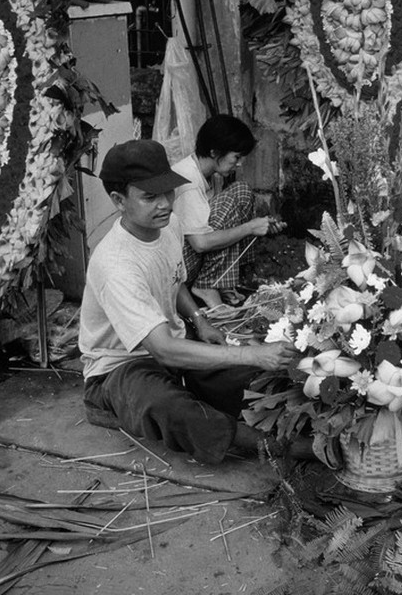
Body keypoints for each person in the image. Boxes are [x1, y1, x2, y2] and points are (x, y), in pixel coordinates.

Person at [79, 139, 307, 463]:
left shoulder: (167, 224)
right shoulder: (116, 264)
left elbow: (176, 281)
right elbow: (162, 349)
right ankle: (275, 448)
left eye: (168, 192)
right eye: (149, 196)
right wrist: (251, 353)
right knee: (177, 410)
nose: (165, 204)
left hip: (171, 345)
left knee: (250, 379)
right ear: (119, 200)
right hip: (119, 368)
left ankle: (240, 403)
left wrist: (200, 320)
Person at [171, 115, 283, 308]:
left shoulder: (208, 173)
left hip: (190, 257)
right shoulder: (188, 181)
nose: (238, 163)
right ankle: (207, 287)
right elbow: (200, 243)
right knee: (235, 196)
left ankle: (224, 283)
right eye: (236, 157)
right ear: (215, 152)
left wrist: (260, 226)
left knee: (242, 193)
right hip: (177, 269)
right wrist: (250, 227)